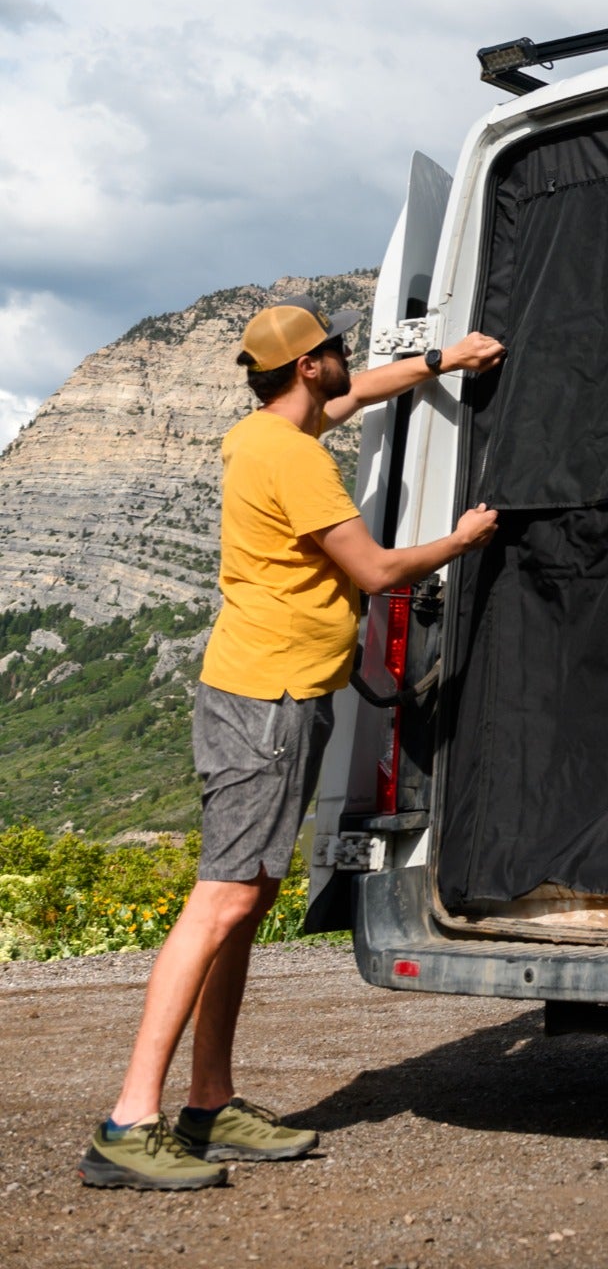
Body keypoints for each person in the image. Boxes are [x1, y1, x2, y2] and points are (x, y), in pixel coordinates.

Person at [79, 302, 505, 1191]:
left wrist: (440, 358)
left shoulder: (262, 434)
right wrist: (464, 539)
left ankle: (209, 1101)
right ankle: (128, 1120)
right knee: (223, 899)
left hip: (272, 689)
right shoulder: (296, 461)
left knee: (249, 894)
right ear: (309, 366)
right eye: (338, 347)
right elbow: (379, 572)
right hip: (267, 700)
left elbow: (358, 397)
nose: (351, 353)